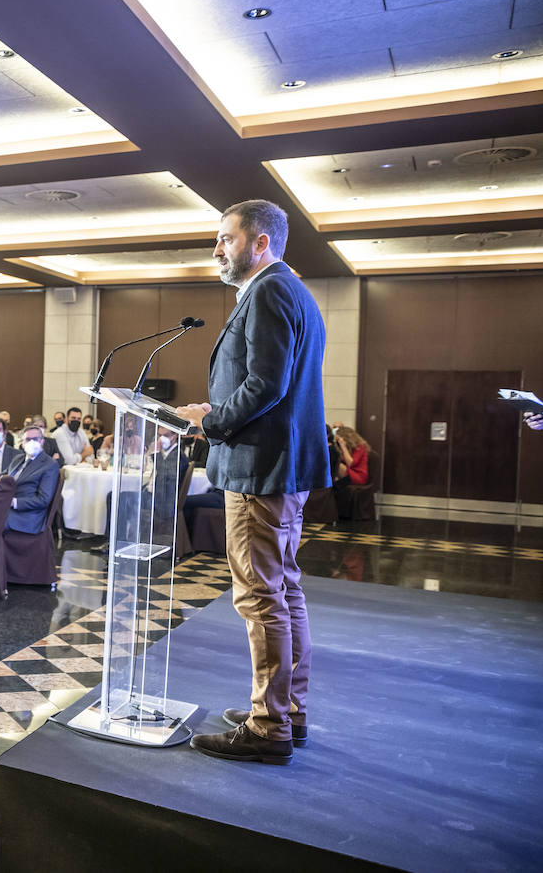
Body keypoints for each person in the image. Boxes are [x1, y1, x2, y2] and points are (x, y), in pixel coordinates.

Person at [176, 199, 329, 766]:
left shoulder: (268, 290)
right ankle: (287, 710)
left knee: (261, 596)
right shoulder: (290, 289)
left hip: (261, 469)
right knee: (283, 590)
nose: (217, 249)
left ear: (259, 243)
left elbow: (266, 382)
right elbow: (269, 382)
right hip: (278, 465)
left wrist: (209, 421)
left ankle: (269, 728)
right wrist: (211, 409)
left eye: (225, 238)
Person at [3, 424, 61, 533]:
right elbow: (2, 476)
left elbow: (43, 500)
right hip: (6, 507)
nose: (31, 442)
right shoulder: (18, 459)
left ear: (42, 442)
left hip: (27, 516)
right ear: (23, 444)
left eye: (35, 439)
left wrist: (14, 502)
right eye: (28, 439)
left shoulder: (49, 465)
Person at [330, 424, 371, 520]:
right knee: (335, 463)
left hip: (359, 476)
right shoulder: (351, 448)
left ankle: (332, 483)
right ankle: (333, 485)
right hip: (350, 474)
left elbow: (351, 463)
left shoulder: (360, 447)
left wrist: (343, 447)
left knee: (339, 466)